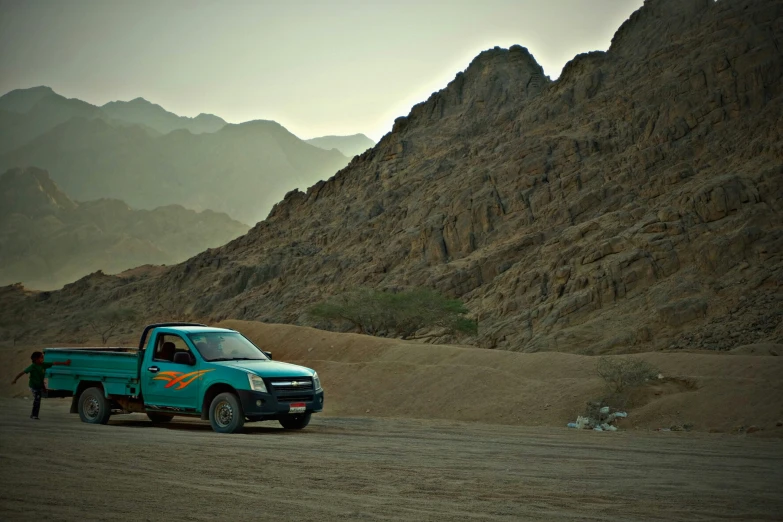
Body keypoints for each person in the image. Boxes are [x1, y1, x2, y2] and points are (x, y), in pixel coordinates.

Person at [11, 351, 71, 420]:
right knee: (37, 400)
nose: (43, 359)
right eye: (41, 357)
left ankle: (33, 415)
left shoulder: (43, 365)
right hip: (33, 386)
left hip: (39, 385)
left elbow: (54, 363)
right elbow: (22, 373)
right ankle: (34, 415)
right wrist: (15, 379)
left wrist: (65, 363)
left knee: (37, 400)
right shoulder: (33, 366)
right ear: (36, 359)